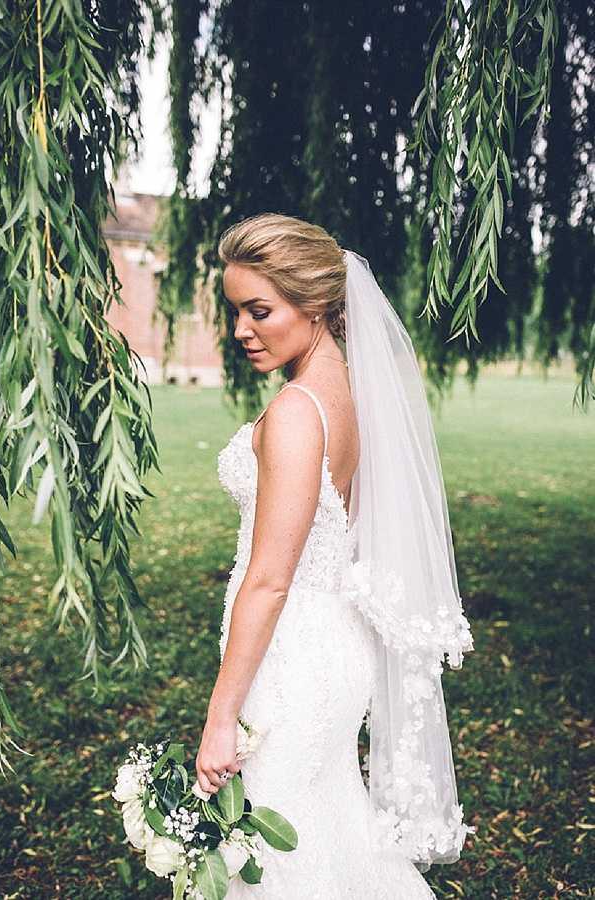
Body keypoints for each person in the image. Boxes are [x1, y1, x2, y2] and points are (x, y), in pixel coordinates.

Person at [195, 213, 474, 897]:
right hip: (328, 642)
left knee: (276, 844)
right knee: (325, 826)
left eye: (259, 310)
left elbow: (269, 579)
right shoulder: (347, 391)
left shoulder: (297, 411)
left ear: (314, 304)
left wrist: (220, 720)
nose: (241, 330)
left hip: (291, 657)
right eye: (236, 311)